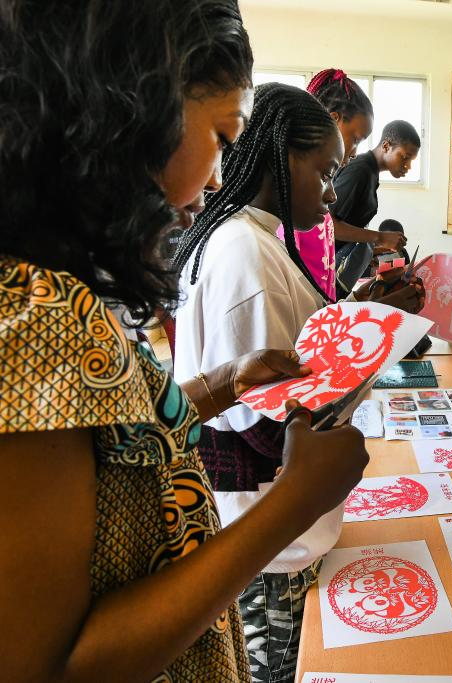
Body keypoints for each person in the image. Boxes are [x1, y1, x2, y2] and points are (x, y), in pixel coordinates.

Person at [0, 2, 369, 681]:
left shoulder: (63, 293)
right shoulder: (36, 321)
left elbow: (112, 443)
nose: (219, 177)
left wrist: (219, 384)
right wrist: (295, 501)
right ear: (130, 116)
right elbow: (49, 664)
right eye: (222, 136)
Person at [172, 83, 401, 683]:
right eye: (324, 172)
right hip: (269, 537)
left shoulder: (248, 237)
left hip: (268, 526)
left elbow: (291, 352)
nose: (330, 194)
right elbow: (269, 423)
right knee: (278, 669)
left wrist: (365, 316)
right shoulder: (246, 253)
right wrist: (371, 350)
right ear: (280, 156)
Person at [331, 120, 421, 293]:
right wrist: (379, 237)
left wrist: (371, 251)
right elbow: (328, 225)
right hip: (324, 269)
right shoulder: (360, 170)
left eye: (411, 161)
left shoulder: (371, 172)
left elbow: (349, 224)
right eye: (405, 157)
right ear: (386, 146)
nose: (408, 166)